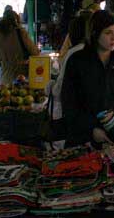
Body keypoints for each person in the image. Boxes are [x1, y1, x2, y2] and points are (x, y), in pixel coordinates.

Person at [61, 10, 114, 148]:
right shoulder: (77, 61)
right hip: (82, 140)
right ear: (95, 33)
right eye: (108, 32)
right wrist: (91, 130)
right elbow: (69, 102)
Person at [45, 12, 92, 150]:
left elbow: (60, 88)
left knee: (69, 153)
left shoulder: (73, 53)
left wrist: (49, 87)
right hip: (87, 114)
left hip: (69, 115)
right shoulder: (93, 51)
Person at [0, 10, 39, 86]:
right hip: (23, 78)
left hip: (6, 80)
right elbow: (35, 53)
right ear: (16, 20)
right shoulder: (20, 33)